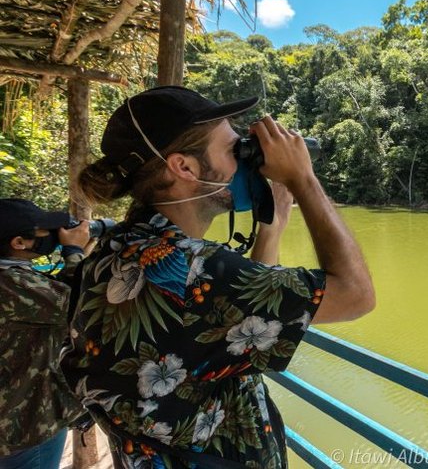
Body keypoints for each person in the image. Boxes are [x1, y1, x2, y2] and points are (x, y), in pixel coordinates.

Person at [60, 86, 375, 469]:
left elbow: (240, 322)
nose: (245, 160)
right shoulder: (194, 271)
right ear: (184, 167)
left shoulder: (114, 251)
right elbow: (356, 294)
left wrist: (272, 227)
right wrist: (303, 179)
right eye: (232, 149)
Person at [0, 199, 91, 468]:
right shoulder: (12, 283)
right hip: (25, 424)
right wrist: (74, 251)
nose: (54, 235)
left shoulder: (15, 278)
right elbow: (82, 305)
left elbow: (47, 297)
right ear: (19, 242)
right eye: (45, 231)